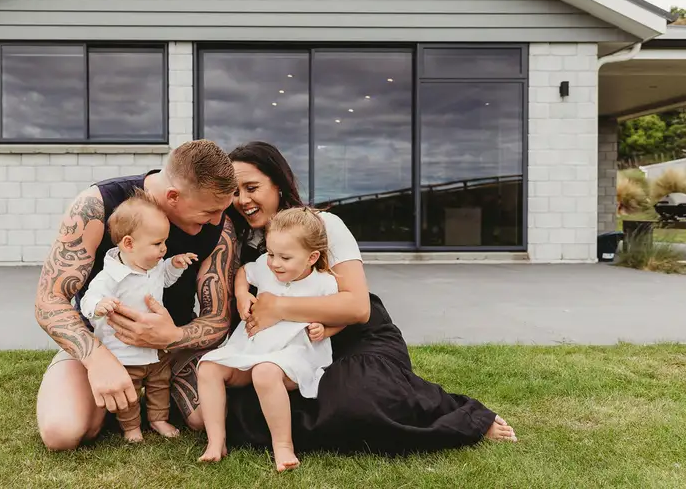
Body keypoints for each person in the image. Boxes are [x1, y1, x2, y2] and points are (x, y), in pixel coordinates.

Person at [221, 141, 517, 455]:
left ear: (278, 184)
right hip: (292, 350)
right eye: (234, 192)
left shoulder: (324, 225)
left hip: (353, 338)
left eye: (252, 188)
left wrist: (278, 307)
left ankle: (467, 416)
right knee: (247, 411)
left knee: (357, 402)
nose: (243, 200)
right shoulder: (240, 240)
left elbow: (357, 307)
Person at [33, 139, 239, 451]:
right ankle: (110, 396)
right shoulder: (96, 205)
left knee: (202, 418)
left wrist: (173, 337)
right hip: (102, 343)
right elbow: (49, 299)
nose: (216, 220)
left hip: (172, 351)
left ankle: (152, 394)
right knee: (63, 432)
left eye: (221, 211)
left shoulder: (219, 226)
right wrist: (97, 359)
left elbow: (219, 318)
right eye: (209, 211)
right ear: (173, 197)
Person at [198, 207, 341, 471]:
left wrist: (327, 329)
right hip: (253, 345)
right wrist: (242, 295)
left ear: (312, 257)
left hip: (293, 353)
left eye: (285, 257)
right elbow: (243, 272)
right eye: (272, 253)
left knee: (264, 373)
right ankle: (215, 441)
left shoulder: (324, 283)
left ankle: (283, 446)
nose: (275, 263)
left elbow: (340, 316)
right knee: (208, 367)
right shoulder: (266, 266)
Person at [78, 189, 199, 443]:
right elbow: (89, 298)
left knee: (159, 385)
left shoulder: (153, 267)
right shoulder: (110, 276)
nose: (164, 249)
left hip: (155, 350)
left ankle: (158, 419)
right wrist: (99, 305)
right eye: (157, 244)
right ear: (129, 244)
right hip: (123, 352)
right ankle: (131, 427)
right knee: (129, 392)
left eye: (164, 242)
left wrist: (174, 265)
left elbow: (164, 278)